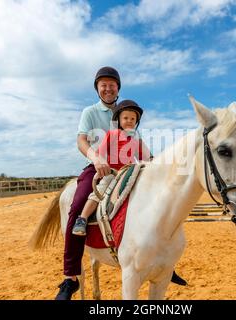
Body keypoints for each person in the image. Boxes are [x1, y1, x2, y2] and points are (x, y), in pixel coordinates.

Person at [55, 66, 187, 301]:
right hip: (100, 166)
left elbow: (143, 151)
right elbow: (81, 140)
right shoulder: (90, 112)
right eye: (103, 84)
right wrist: (96, 159)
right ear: (97, 88)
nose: (108, 88)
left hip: (128, 168)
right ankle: (70, 278)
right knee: (77, 206)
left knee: (159, 201)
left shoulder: (127, 111)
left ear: (118, 88)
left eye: (112, 84)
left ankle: (164, 263)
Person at [72, 99, 150, 236]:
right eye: (125, 118)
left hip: (129, 172)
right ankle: (82, 218)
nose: (129, 121)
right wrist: (101, 166)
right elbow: (101, 154)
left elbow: (145, 157)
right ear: (118, 119)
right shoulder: (112, 134)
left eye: (133, 119)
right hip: (112, 173)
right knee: (101, 191)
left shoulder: (135, 138)